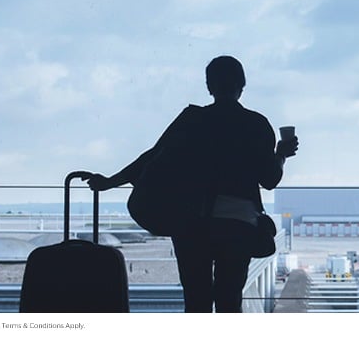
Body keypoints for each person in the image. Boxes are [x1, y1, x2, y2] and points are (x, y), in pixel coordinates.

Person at [87, 55, 298, 312]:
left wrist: (109, 182)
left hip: (191, 222)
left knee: (195, 301)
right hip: (238, 224)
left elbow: (151, 158)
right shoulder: (256, 124)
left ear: (209, 86)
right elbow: (269, 180)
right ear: (242, 86)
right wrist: (281, 155)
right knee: (229, 301)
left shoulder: (191, 120)